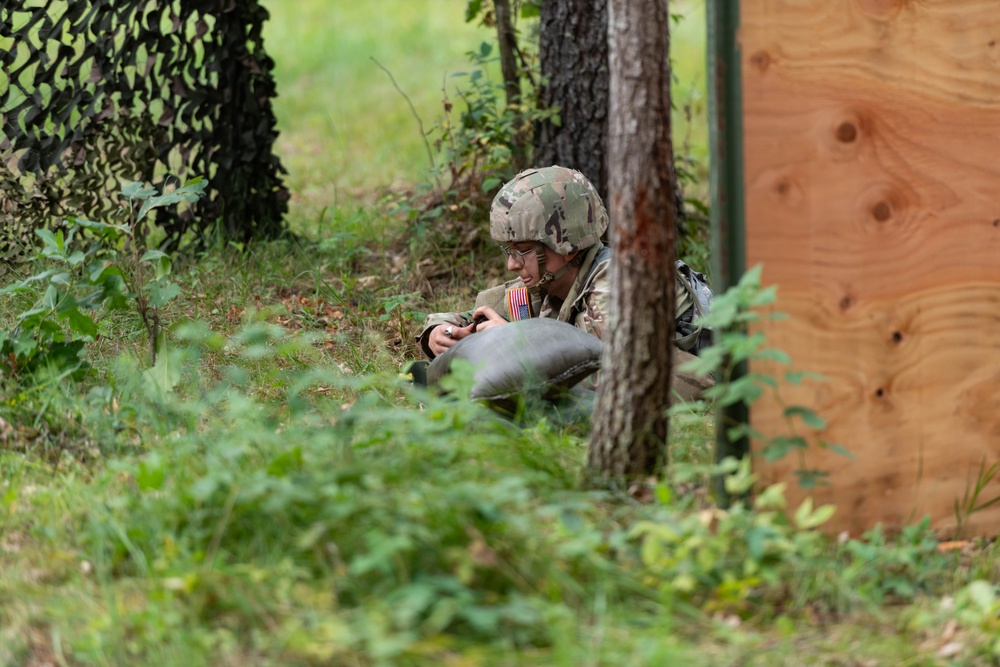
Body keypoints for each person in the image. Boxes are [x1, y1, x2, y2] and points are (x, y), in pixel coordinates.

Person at [414, 165, 711, 398]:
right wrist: (439, 332)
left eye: (524, 251)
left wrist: (515, 343)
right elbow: (473, 317)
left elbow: (607, 375)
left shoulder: (618, 284)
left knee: (563, 402)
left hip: (684, 373)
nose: (511, 264)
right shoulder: (547, 280)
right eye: (509, 251)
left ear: (565, 246)